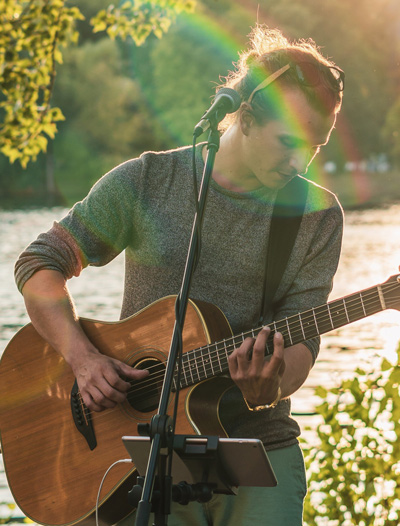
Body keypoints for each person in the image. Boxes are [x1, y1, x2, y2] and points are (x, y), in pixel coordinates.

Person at [14, 25, 344, 526]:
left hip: (259, 451)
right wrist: (82, 360)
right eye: (288, 142)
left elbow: (302, 344)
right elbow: (38, 267)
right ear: (247, 118)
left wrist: (268, 386)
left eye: (315, 146)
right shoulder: (147, 181)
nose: (300, 160)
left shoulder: (316, 214)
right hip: (138, 454)